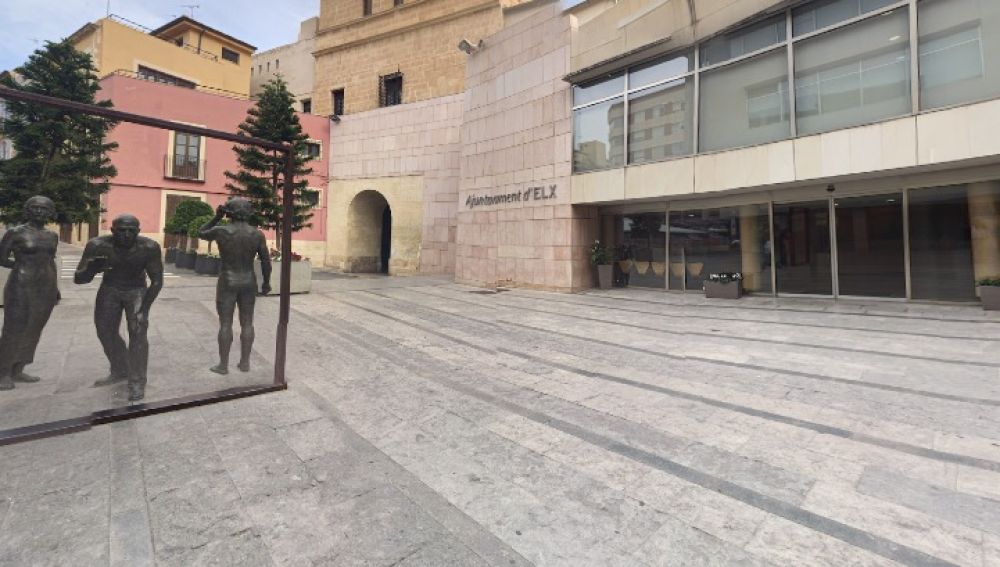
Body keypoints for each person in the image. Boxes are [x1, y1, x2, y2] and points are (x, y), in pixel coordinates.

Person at [75, 214, 163, 401]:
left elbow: (157, 281)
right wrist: (91, 269)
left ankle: (137, 381)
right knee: (105, 332)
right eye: (122, 230)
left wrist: (144, 309)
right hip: (110, 289)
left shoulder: (149, 247)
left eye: (131, 231)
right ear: (113, 230)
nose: (126, 234)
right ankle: (120, 369)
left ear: (138, 231)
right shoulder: (97, 245)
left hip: (136, 290)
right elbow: (79, 279)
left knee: (138, 333)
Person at [198, 198, 271, 375]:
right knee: (247, 323)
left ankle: (223, 366)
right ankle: (245, 363)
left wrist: (217, 217)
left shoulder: (221, 231)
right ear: (249, 213)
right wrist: (266, 282)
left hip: (228, 281)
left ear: (229, 213)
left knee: (225, 323)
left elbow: (200, 232)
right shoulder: (257, 234)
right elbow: (266, 261)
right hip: (248, 281)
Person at [0, 196, 60, 390]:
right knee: (13, 329)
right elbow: (1, 258)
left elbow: (50, 260)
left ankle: (18, 369)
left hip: (46, 286)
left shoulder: (52, 236)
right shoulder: (15, 233)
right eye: (35, 208)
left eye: (44, 209)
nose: (39, 212)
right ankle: (3, 373)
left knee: (34, 329)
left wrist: (56, 287)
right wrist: (21, 266)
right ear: (27, 210)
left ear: (50, 212)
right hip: (21, 285)